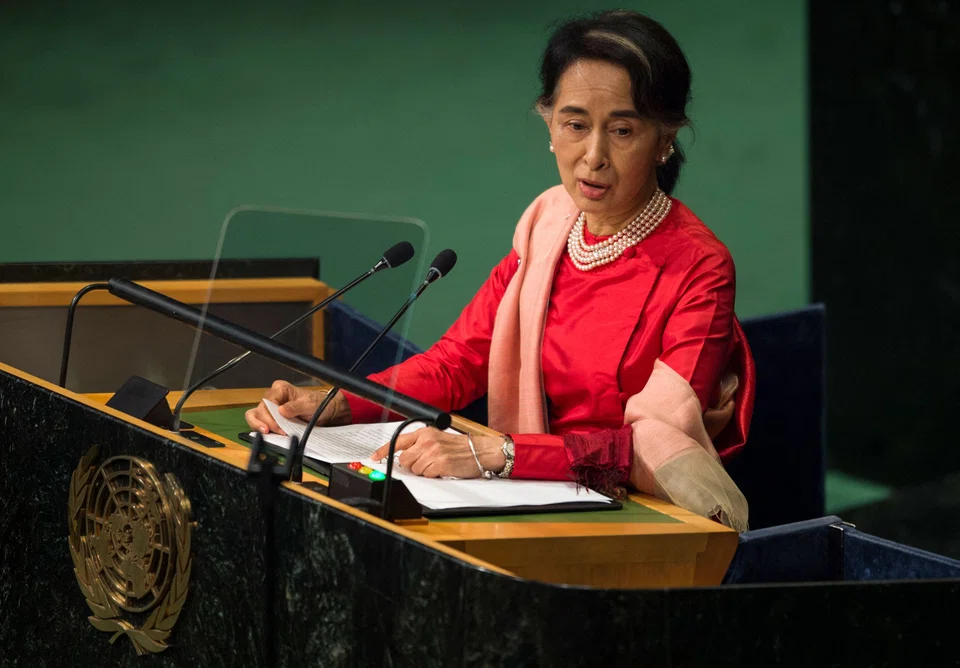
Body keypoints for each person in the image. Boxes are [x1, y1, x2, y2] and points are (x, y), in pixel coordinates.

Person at [246, 10, 754, 530]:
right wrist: (338, 404)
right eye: (575, 125)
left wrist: (499, 454)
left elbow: (650, 448)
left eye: (622, 130)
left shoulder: (699, 266)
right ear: (549, 125)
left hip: (633, 518)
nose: (593, 156)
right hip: (523, 499)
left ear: (665, 139)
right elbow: (457, 363)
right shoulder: (546, 225)